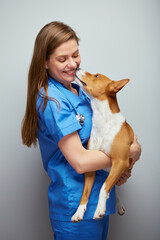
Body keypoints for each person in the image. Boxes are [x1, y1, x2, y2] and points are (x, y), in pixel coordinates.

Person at [21, 21, 141, 240]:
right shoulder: (52, 100)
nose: (72, 64)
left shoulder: (81, 90)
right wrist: (123, 158)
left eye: (75, 55)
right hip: (74, 207)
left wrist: (130, 154)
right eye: (62, 59)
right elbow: (81, 162)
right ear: (45, 62)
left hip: (99, 203)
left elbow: (117, 137)